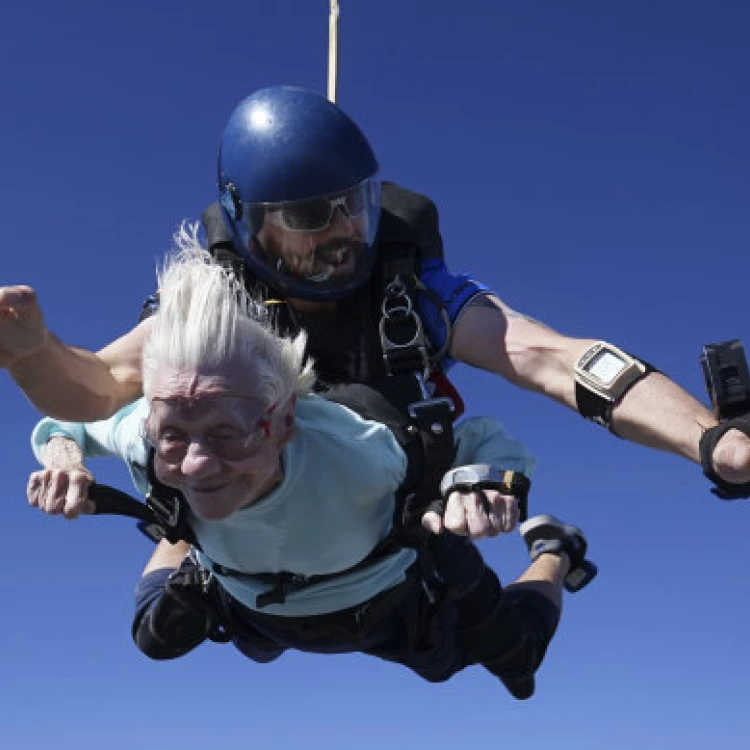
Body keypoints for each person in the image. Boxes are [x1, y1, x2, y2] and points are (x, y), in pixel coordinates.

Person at [2, 84, 748, 516]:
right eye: (301, 219)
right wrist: (33, 353)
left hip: (390, 519)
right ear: (246, 223)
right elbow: (95, 390)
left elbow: (556, 359)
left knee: (462, 625)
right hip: (248, 515)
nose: (337, 239)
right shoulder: (219, 298)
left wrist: (712, 442)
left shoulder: (409, 287)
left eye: (351, 208)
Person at [28, 243, 595, 699]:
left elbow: (485, 440)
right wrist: (64, 460)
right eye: (174, 433)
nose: (197, 458)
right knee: (155, 636)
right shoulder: (147, 432)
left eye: (229, 433)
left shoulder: (363, 451)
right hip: (249, 600)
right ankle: (186, 534)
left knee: (517, 660)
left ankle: (553, 550)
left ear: (283, 422)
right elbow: (68, 422)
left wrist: (484, 479)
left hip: (386, 601)